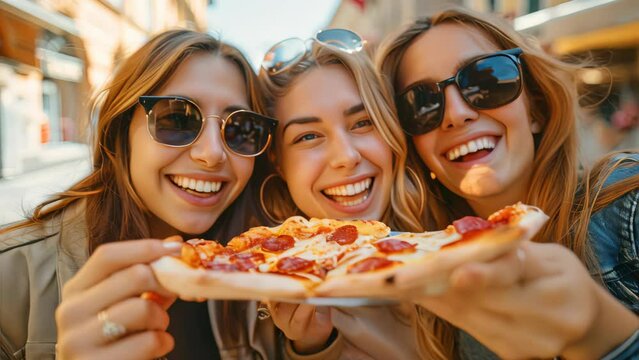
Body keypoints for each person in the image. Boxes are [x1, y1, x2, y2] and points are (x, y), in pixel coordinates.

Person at [0, 29, 281, 359]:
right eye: (177, 118)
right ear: (121, 131)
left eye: (240, 129)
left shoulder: (274, 266)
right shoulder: (10, 279)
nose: (213, 153)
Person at [376, 7, 639, 359]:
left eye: (485, 80)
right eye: (421, 103)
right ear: (414, 148)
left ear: (536, 108)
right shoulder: (433, 287)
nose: (456, 114)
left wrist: (607, 335)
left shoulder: (629, 201)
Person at [255, 29, 424, 358]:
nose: (346, 157)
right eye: (308, 137)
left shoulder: (460, 228)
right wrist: (312, 347)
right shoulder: (256, 280)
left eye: (362, 122)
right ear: (277, 161)